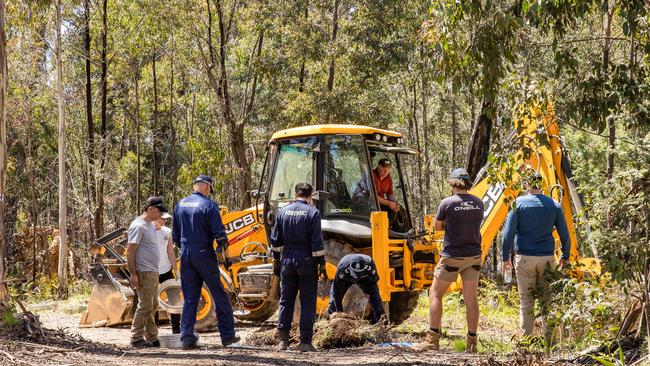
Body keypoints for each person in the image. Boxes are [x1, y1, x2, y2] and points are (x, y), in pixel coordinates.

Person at [418, 168, 484, 353]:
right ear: (467, 183)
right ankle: (472, 342)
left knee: (435, 294)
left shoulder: (446, 203)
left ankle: (432, 340)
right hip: (473, 256)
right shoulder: (479, 203)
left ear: (453, 183)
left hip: (452, 256)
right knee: (471, 299)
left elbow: (438, 227)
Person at [172, 175, 239, 349]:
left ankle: (187, 338)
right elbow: (220, 236)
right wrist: (223, 255)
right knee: (219, 294)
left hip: (186, 253)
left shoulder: (180, 205)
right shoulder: (209, 205)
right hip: (204, 253)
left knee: (190, 297)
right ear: (207, 187)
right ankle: (228, 337)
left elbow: (176, 237)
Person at [502, 172, 570, 340]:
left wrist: (505, 258)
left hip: (524, 258)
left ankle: (526, 342)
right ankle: (550, 342)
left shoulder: (518, 204)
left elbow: (507, 235)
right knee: (547, 302)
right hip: (547, 258)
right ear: (542, 185)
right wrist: (565, 255)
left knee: (526, 303)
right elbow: (564, 234)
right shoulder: (554, 205)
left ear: (527, 185)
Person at [271, 182, 326, 352]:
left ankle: (283, 341)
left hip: (287, 260)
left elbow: (276, 241)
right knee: (308, 302)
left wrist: (276, 261)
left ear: (296, 194)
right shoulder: (313, 212)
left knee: (286, 301)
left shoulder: (283, 212)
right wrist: (321, 264)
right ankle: (305, 342)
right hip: (307, 260)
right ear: (310, 197)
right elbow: (317, 242)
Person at [127, 196, 167, 348]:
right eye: (159, 211)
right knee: (145, 305)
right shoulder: (138, 226)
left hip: (153, 271)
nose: (161, 215)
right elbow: (130, 251)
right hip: (143, 271)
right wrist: (133, 274)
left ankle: (152, 337)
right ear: (150, 209)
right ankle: (136, 338)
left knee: (152, 304)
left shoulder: (150, 224)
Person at [325, 253, 385, 324]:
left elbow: (374, 281)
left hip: (364, 279)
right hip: (347, 278)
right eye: (355, 275)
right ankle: (329, 321)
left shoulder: (370, 265)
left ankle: (383, 323)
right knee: (334, 300)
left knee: (376, 298)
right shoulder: (343, 268)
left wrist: (369, 291)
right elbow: (336, 292)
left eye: (358, 275)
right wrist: (339, 314)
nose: (356, 277)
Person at [155, 212, 180, 334]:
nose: (165, 221)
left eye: (166, 219)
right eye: (162, 218)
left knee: (174, 298)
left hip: (166, 270)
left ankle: (176, 329)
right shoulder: (146, 231)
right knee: (153, 301)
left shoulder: (167, 232)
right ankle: (154, 331)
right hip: (152, 270)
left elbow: (170, 252)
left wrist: (176, 270)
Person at [372, 158, 399, 223]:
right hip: (364, 203)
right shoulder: (372, 175)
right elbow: (373, 197)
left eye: (388, 168)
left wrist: (394, 204)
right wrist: (389, 203)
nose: (386, 171)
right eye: (384, 168)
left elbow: (390, 194)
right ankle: (381, 228)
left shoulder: (388, 178)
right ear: (378, 166)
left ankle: (386, 228)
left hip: (377, 204)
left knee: (396, 210)